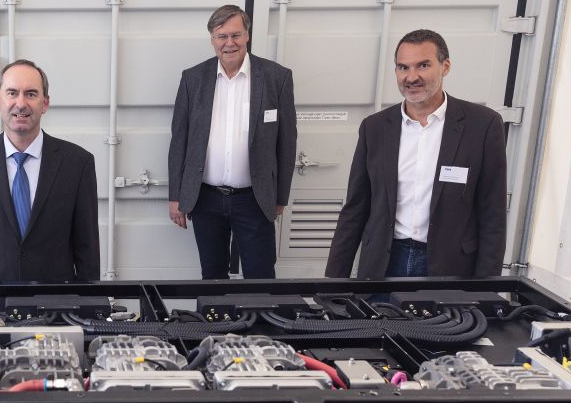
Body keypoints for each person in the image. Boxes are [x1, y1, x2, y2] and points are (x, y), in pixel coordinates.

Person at [325, 29, 507, 279]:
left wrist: (486, 288)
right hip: (383, 264)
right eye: (403, 68)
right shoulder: (374, 128)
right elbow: (355, 208)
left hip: (450, 267)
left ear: (445, 67)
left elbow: (493, 214)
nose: (411, 77)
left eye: (423, 65)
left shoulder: (482, 125)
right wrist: (334, 281)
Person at [168, 4, 297, 280]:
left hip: (255, 199)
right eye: (222, 36)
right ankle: (217, 311)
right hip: (206, 198)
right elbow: (179, 140)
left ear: (247, 35)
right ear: (212, 39)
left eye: (236, 35)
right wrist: (176, 195)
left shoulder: (277, 78)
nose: (229, 43)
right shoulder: (193, 78)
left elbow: (286, 143)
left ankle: (258, 312)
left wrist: (280, 196)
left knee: (260, 278)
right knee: (212, 277)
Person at [0, 60, 100, 283]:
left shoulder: (78, 163)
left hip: (56, 299)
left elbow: (88, 248)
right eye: (12, 93)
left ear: (45, 103)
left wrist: (88, 300)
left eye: (31, 94)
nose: (21, 103)